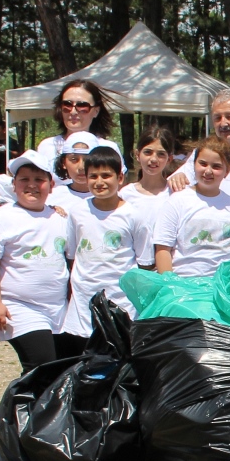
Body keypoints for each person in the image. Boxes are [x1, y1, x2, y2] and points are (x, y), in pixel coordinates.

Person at [0, 150, 77, 372]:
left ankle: (40, 407)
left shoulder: (61, 217)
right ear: (13, 185)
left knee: (60, 369)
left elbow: (70, 258)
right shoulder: (1, 218)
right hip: (20, 307)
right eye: (24, 179)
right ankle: (20, 406)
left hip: (58, 309)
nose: (32, 185)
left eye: (39, 180)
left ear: (51, 185)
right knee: (41, 363)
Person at [61, 144, 149, 339]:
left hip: (121, 300)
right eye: (93, 176)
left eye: (106, 176)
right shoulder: (77, 212)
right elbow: (73, 255)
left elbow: (144, 263)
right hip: (84, 300)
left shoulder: (134, 215)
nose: (99, 182)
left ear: (120, 178)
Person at [152, 137, 230, 277]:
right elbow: (162, 249)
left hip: (223, 287)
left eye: (216, 166)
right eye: (203, 164)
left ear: (227, 171)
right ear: (193, 165)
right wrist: (171, 285)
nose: (208, 171)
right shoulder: (177, 201)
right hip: (184, 285)